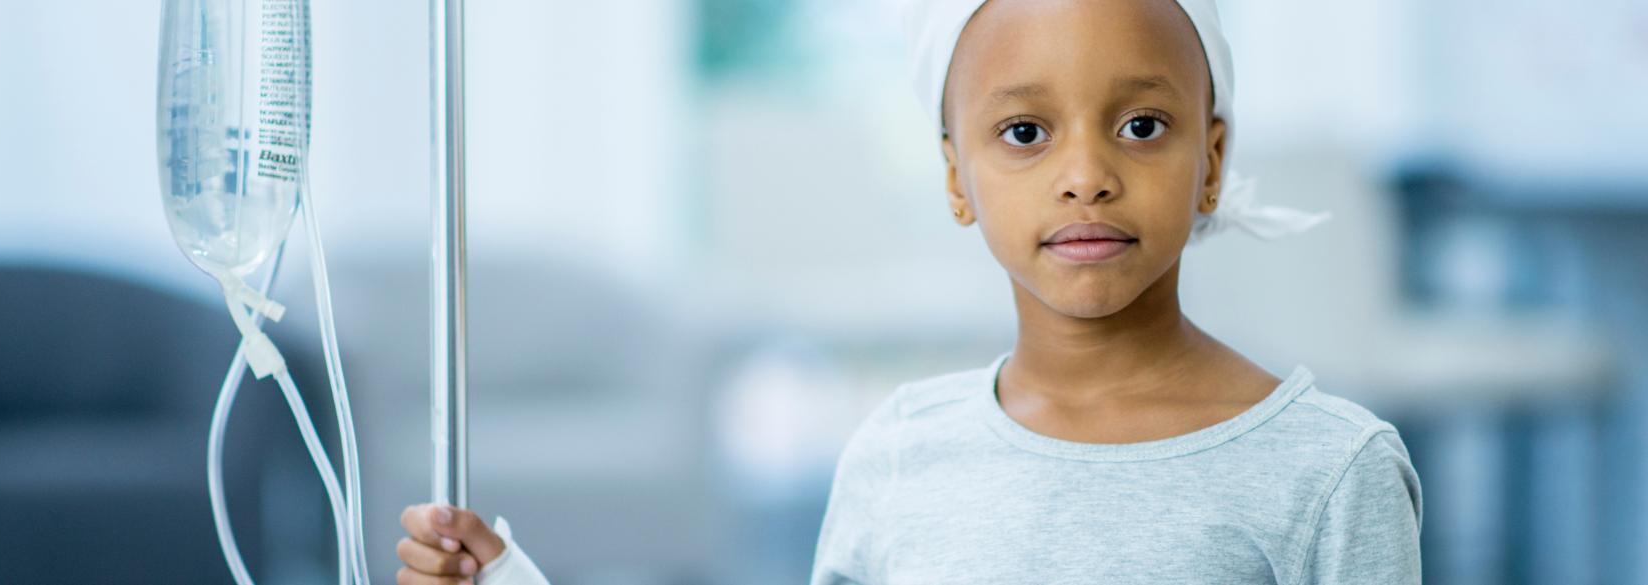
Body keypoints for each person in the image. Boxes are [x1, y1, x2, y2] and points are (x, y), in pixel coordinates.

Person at [393, 0, 1420, 583]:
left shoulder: (1330, 469)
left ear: (1212, 156)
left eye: (1142, 126)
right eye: (1024, 132)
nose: (1085, 174)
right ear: (953, 176)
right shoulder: (898, 452)